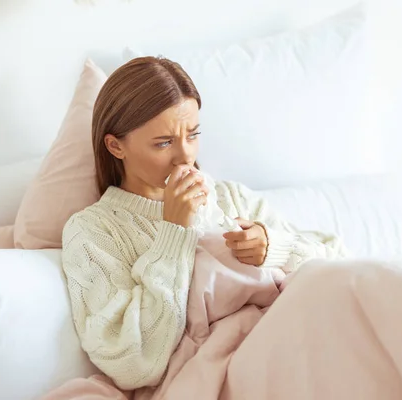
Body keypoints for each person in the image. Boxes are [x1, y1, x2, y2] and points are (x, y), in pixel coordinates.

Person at [61, 56, 345, 391]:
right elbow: (133, 363)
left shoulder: (229, 197)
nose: (185, 156)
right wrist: (174, 233)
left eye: (193, 134)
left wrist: (273, 248)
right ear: (115, 145)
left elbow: (338, 264)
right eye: (164, 142)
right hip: (227, 373)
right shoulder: (94, 231)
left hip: (298, 334)